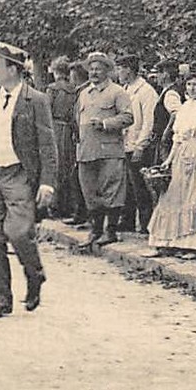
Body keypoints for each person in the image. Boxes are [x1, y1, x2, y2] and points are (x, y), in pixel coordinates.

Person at [0, 43, 57, 318]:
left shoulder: (36, 100)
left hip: (18, 173)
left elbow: (48, 145)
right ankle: (0, 300)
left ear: (13, 69)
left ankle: (34, 273)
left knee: (18, 231)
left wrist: (47, 182)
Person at [143, 74, 196, 258]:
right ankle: (170, 243)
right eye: (189, 85)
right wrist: (169, 161)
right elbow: (178, 139)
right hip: (182, 157)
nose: (191, 88)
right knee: (173, 198)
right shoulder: (184, 108)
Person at [75, 51, 134, 248]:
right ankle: (96, 230)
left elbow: (128, 117)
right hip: (87, 150)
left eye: (99, 69)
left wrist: (106, 123)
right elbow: (78, 120)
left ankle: (111, 231)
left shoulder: (117, 92)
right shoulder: (83, 93)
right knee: (90, 191)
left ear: (107, 71)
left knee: (112, 190)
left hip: (109, 150)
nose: (94, 72)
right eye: (91, 69)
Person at [116, 54, 159, 236]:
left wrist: (141, 145)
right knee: (127, 185)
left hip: (138, 144)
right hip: (125, 142)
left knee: (141, 186)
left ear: (129, 69)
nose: (118, 72)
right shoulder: (125, 89)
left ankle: (146, 223)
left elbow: (149, 122)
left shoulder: (146, 91)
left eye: (120, 68)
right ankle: (127, 220)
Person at [45, 58, 85, 224]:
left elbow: (46, 110)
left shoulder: (52, 89)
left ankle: (55, 205)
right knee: (68, 166)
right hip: (69, 129)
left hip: (54, 128)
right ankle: (69, 204)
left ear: (56, 72)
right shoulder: (74, 90)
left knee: (55, 165)